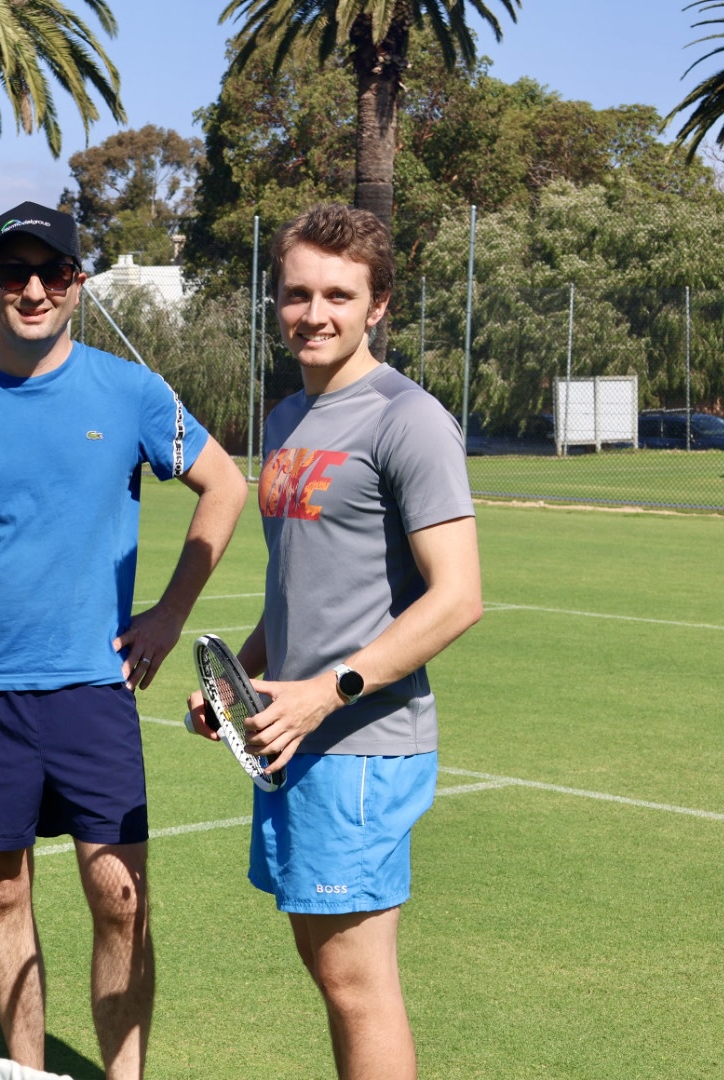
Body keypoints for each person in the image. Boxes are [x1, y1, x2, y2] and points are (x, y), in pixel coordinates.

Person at [0, 201, 247, 1079]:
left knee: (121, 900)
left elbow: (224, 487)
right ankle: (26, 1071)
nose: (32, 289)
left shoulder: (130, 393)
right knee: (2, 895)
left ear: (78, 283)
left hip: (93, 694)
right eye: (13, 273)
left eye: (52, 273)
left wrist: (168, 615)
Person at [186, 204, 482, 1080]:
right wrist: (240, 678)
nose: (314, 313)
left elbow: (457, 598)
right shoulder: (285, 419)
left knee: (357, 981)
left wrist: (326, 693)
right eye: (297, 293)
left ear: (378, 305)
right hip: (290, 738)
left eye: (338, 295)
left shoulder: (407, 418)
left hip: (360, 745)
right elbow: (299, 592)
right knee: (327, 968)